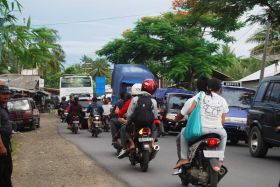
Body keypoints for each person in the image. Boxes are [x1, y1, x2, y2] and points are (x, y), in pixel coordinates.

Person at [174, 78, 228, 172]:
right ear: (219, 89)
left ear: (207, 87)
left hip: (201, 130)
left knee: (183, 133)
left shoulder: (200, 96)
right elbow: (222, 121)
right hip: (218, 130)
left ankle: (184, 159)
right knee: (224, 135)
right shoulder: (223, 100)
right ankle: (220, 160)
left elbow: (189, 110)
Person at [118, 79, 158, 158]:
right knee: (155, 129)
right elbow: (155, 115)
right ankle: (152, 143)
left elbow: (129, 113)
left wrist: (128, 119)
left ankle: (131, 144)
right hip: (149, 123)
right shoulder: (153, 101)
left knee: (124, 129)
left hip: (136, 123)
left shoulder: (135, 99)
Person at [0, 81, 13, 187]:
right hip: (1, 144)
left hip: (5, 141)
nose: (6, 96)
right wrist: (1, 147)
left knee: (7, 169)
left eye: (8, 93)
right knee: (3, 170)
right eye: (3, 94)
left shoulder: (3, 107)